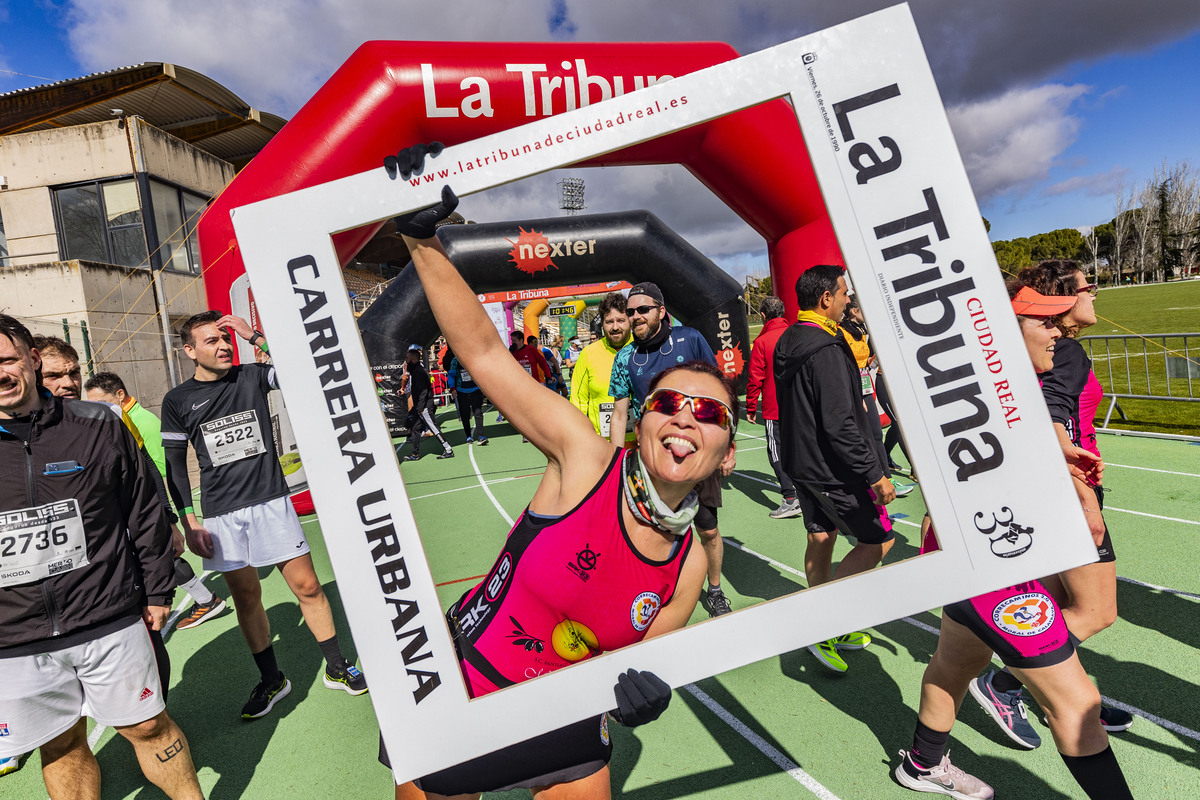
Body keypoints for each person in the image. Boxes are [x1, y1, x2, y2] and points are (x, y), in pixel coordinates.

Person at [380, 151, 733, 799]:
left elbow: (632, 664)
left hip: (564, 719)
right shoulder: (583, 457)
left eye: (707, 410)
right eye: (668, 402)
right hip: (465, 686)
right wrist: (420, 238)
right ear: (642, 421)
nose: (685, 417)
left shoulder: (687, 566)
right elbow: (485, 352)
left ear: (726, 451)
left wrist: (643, 686)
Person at [894, 284, 1133, 800]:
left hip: (979, 552)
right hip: (989, 558)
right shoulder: (970, 399)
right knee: (1077, 705)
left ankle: (922, 762)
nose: (1059, 331)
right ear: (999, 334)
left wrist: (1062, 468)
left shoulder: (1004, 390)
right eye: (1045, 322)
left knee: (957, 662)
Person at [0, 314, 204, 800]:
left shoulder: (97, 424)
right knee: (61, 746)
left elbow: (143, 508)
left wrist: (158, 589)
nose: (0, 373)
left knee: (150, 726)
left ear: (31, 359)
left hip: (108, 615)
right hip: (15, 636)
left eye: (6, 359)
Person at [160, 311, 367, 719]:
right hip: (220, 514)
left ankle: (337, 667)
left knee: (307, 586)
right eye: (210, 341)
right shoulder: (177, 400)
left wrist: (254, 335)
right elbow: (174, 465)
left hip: (271, 501)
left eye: (224, 339)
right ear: (189, 351)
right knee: (246, 596)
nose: (222, 346)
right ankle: (273, 680)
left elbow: (304, 371)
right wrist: (189, 519)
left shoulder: (252, 375)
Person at [969, 260, 1133, 747]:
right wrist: (1085, 497)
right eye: (1088, 286)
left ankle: (1071, 694)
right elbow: (1050, 416)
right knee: (1097, 611)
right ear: (1062, 297)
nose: (1095, 294)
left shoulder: (1047, 350)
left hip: (1043, 489)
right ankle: (1003, 683)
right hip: (1067, 490)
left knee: (1056, 605)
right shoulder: (1067, 354)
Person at [774, 264, 896, 673]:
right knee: (879, 541)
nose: (849, 300)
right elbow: (839, 422)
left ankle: (829, 624)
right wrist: (873, 472)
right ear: (826, 298)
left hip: (803, 462)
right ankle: (826, 622)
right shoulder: (825, 347)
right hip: (830, 466)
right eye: (844, 293)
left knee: (821, 536)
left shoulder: (790, 337)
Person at [609, 282, 733, 617]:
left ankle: (716, 590)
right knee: (648, 532)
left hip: (697, 452)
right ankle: (655, 594)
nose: (635, 317)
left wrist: (727, 447)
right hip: (651, 460)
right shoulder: (625, 357)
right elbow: (620, 412)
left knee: (707, 529)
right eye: (630, 312)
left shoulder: (690, 338)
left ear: (661, 311)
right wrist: (613, 461)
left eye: (643, 310)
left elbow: (719, 391)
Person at [85, 371, 228, 630]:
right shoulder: (123, 419)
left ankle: (205, 600)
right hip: (141, 500)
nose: (97, 410)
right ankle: (204, 599)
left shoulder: (133, 421)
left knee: (160, 556)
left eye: (102, 403)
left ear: (119, 395)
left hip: (147, 500)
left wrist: (168, 515)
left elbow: (154, 468)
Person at [840, 295, 914, 498]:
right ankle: (870, 481)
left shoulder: (861, 332)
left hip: (866, 387)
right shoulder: (842, 333)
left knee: (875, 434)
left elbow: (868, 359)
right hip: (854, 390)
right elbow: (845, 367)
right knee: (860, 437)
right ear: (853, 311)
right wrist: (856, 396)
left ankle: (887, 479)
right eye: (863, 309)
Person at [745, 296, 801, 518]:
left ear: (763, 316)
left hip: (774, 407)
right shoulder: (796, 334)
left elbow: (755, 377)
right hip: (801, 404)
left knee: (776, 451)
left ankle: (790, 498)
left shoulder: (762, 342)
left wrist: (750, 408)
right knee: (800, 448)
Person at [569, 291, 635, 447]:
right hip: (602, 446)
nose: (615, 327)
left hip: (642, 444)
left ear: (630, 321)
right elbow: (578, 405)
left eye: (621, 320)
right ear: (602, 324)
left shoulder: (643, 349)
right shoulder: (588, 354)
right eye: (609, 321)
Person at [399, 344, 455, 461]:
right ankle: (415, 454)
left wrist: (420, 408)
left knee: (433, 428)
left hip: (424, 406)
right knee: (415, 428)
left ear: (414, 359)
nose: (406, 360)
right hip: (420, 405)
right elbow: (407, 378)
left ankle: (448, 449)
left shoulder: (418, 371)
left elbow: (424, 391)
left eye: (408, 358)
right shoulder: (413, 368)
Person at [446, 347, 488, 445]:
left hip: (475, 389)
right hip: (461, 391)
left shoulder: (474, 358)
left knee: (478, 412)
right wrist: (452, 388)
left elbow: (481, 372)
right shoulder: (455, 361)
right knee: (464, 415)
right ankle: (468, 436)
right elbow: (451, 375)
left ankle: (480, 435)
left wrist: (483, 386)